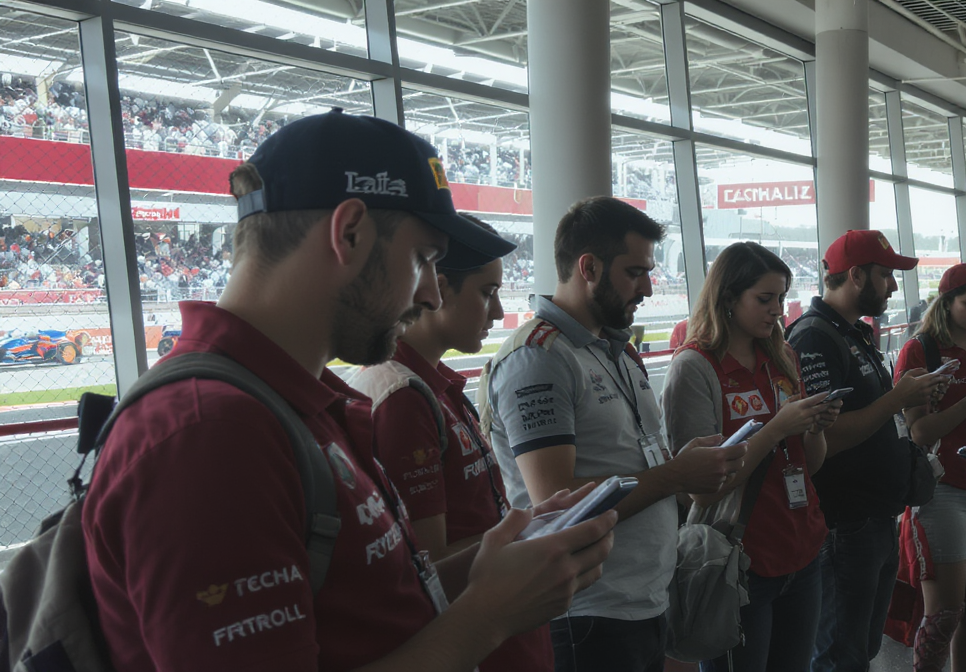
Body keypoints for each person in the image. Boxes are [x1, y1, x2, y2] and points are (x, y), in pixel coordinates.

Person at [81, 109, 615, 672]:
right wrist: (487, 617)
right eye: (423, 259)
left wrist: (501, 560)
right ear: (349, 233)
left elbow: (373, 602)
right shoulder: (209, 434)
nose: (432, 294)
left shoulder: (295, 403)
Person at [480, 196, 747, 671]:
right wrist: (674, 476)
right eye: (635, 272)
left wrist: (680, 465)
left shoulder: (616, 350)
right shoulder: (539, 358)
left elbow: (629, 462)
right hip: (588, 611)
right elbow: (559, 503)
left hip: (643, 597)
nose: (648, 286)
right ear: (588, 267)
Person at [351, 214, 554, 671]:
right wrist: (533, 535)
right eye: (487, 293)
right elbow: (428, 566)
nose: (499, 313)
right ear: (438, 289)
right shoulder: (402, 396)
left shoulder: (431, 386)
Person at [662, 242, 839, 672]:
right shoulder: (695, 368)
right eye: (765, 299)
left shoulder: (781, 357)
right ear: (728, 297)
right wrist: (778, 426)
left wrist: (813, 424)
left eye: (781, 298)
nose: (778, 310)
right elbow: (703, 489)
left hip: (801, 546)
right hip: (737, 561)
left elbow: (810, 464)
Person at [784, 229, 945, 672]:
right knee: (841, 656)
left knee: (861, 649)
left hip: (874, 518)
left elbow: (874, 417)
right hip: (845, 526)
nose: (894, 285)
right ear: (855, 275)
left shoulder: (855, 334)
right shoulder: (813, 339)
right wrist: (898, 398)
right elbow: (827, 440)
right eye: (886, 275)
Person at [892, 263, 966, 672]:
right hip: (943, 490)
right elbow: (920, 431)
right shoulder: (920, 351)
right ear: (946, 303)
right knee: (944, 614)